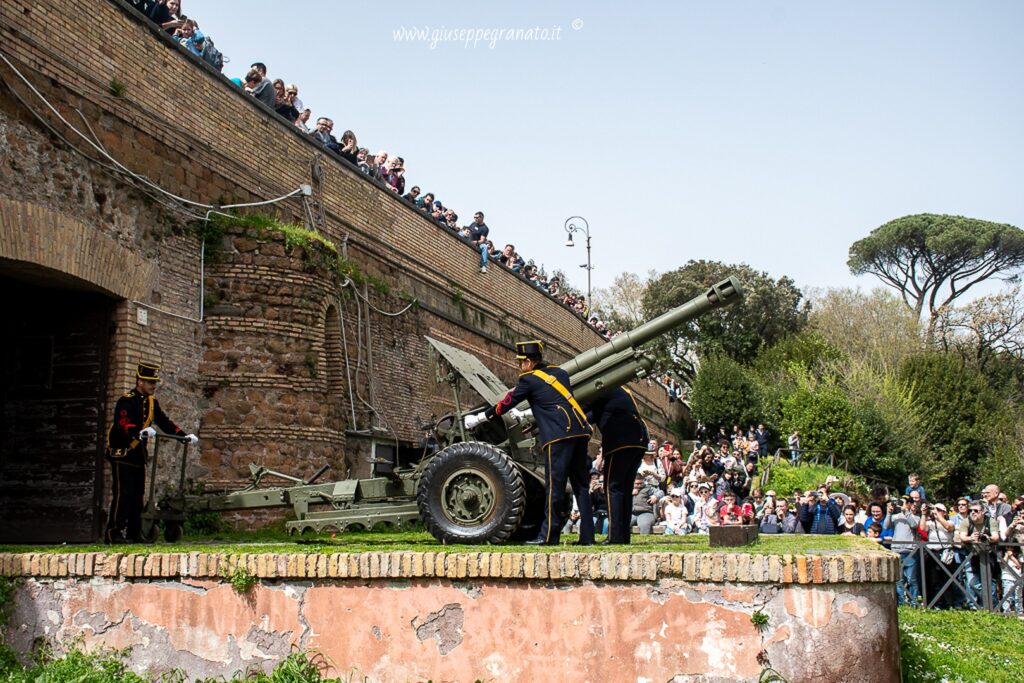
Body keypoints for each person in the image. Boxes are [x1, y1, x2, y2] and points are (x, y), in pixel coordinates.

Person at [472, 341, 594, 546]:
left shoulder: (528, 380)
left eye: (521, 362)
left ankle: (548, 536)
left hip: (557, 437)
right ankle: (588, 537)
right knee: (581, 486)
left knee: (554, 486)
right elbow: (552, 403)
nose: (520, 366)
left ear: (528, 362)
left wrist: (482, 417)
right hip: (580, 432)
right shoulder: (561, 374)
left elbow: (507, 403)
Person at [104, 363, 197, 544]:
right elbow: (122, 422)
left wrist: (183, 436)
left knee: (138, 496)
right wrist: (139, 431)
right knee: (123, 494)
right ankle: (113, 533)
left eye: (154, 382)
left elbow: (164, 422)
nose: (153, 386)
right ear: (140, 382)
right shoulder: (126, 400)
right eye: (150, 382)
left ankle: (134, 532)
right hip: (123, 454)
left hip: (138, 456)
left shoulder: (152, 403)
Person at [583, 387, 648, 544]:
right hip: (638, 440)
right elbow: (590, 416)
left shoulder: (600, 390)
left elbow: (579, 411)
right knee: (624, 489)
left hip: (620, 442)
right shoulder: (620, 392)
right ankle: (623, 536)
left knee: (613, 488)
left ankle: (615, 537)